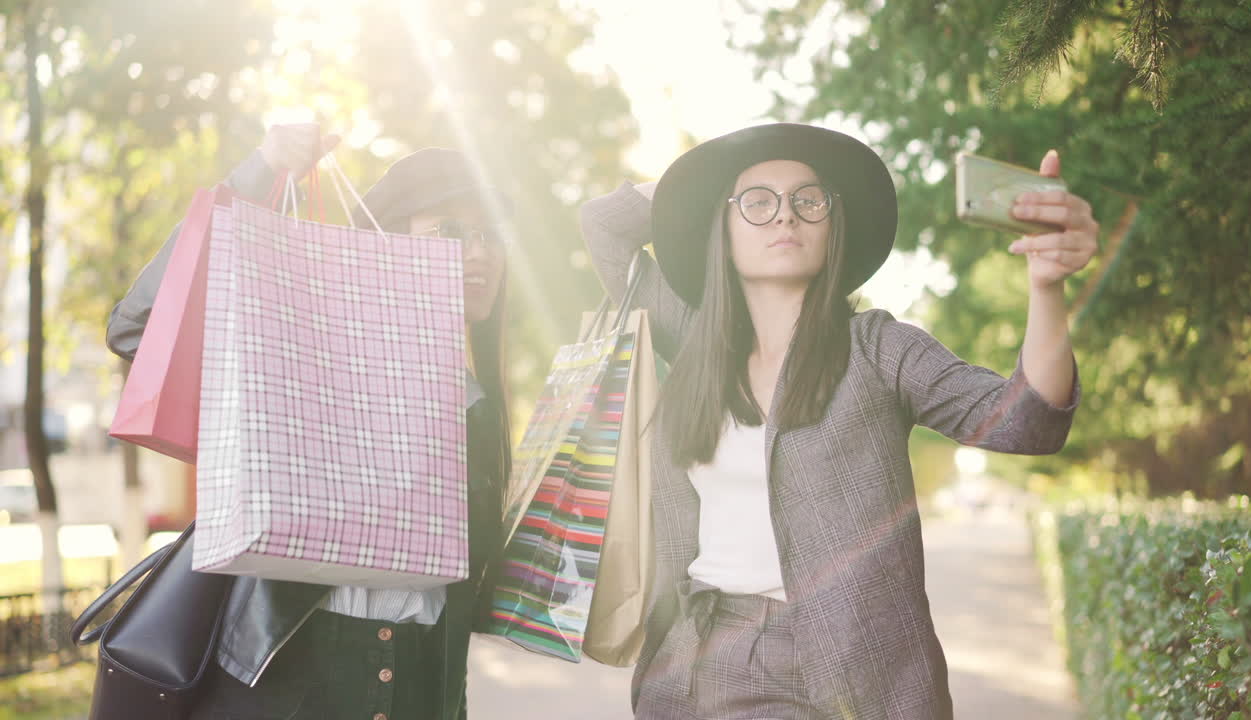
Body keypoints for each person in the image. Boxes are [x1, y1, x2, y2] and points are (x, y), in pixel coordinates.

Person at [582, 123, 1096, 719]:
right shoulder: (694, 338)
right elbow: (604, 225)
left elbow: (1029, 422)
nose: (785, 217)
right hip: (701, 660)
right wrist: (689, 188)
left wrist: (1046, 287)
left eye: (808, 199)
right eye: (756, 202)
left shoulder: (879, 349)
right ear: (719, 230)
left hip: (852, 668)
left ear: (833, 225)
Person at [106, 122, 512, 719]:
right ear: (387, 245)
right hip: (286, 680)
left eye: (489, 235)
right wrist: (260, 171)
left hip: (417, 690)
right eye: (452, 231)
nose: (479, 252)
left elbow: (455, 600)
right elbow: (138, 328)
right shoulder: (308, 345)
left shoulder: (478, 405)